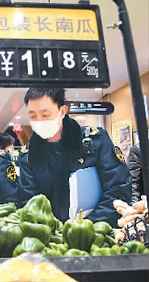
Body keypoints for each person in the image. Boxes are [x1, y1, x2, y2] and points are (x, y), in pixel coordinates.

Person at [16, 87, 132, 227]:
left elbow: (118, 189)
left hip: (100, 233)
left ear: (62, 111)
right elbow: (29, 204)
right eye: (33, 116)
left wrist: (85, 227)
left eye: (45, 115)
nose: (39, 121)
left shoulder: (95, 142)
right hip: (53, 241)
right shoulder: (29, 158)